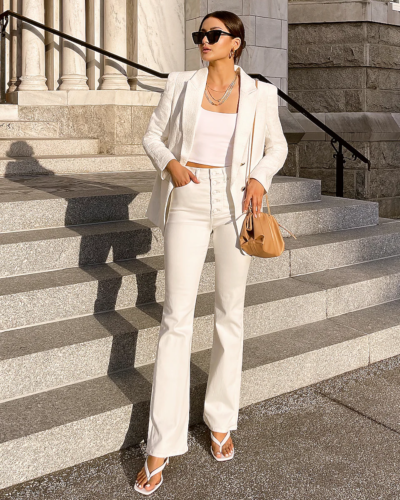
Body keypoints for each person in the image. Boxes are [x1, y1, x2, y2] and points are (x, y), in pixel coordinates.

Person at [135, 9, 288, 495]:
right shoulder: (181, 84)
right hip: (189, 193)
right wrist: (172, 165)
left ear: (235, 43)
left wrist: (260, 178)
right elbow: (152, 136)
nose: (204, 40)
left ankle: (220, 419)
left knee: (230, 313)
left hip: (235, 203)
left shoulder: (260, 93)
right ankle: (160, 442)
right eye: (201, 34)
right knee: (176, 317)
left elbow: (276, 146)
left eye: (214, 34)